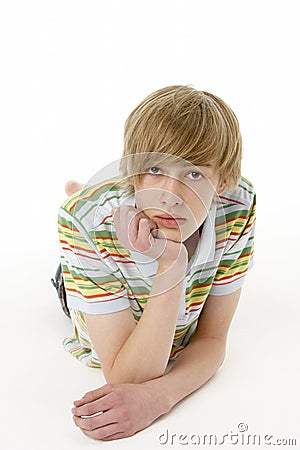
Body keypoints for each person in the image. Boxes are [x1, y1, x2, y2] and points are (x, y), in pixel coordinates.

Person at [52, 85, 256, 441]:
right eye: (154, 169)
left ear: (223, 181)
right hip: (95, 279)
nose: (170, 197)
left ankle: (94, 189)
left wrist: (160, 397)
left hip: (151, 267)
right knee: (87, 218)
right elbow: (127, 376)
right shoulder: (84, 223)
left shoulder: (237, 204)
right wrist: (171, 267)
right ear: (133, 172)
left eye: (194, 174)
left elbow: (211, 338)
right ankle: (88, 195)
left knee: (103, 207)